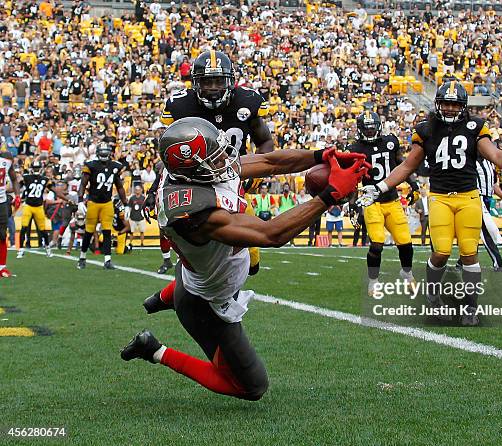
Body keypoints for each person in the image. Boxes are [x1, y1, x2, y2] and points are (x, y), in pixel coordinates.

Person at [122, 117, 368, 401]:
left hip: (198, 271)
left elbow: (269, 162)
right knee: (252, 387)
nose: (224, 160)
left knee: (220, 266)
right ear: (192, 170)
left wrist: (323, 155)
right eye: (214, 158)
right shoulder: (193, 211)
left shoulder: (195, 170)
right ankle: (153, 349)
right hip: (207, 304)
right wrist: (329, 195)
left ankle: (163, 299)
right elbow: (271, 234)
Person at [358, 81, 502, 326]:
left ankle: (470, 308)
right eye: (445, 103)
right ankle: (433, 298)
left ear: (462, 106)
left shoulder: (474, 126)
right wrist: (382, 187)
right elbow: (407, 166)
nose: (448, 108)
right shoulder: (426, 129)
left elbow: (495, 154)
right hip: (439, 197)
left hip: (469, 196)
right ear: (438, 104)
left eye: (454, 104)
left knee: (469, 254)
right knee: (441, 252)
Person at [159, 50, 274, 274]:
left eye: (218, 81)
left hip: (232, 181)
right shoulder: (181, 105)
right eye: (206, 82)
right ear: (195, 83)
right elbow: (169, 153)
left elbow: (266, 143)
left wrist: (253, 175)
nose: (212, 88)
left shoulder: (247, 101)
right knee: (197, 254)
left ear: (230, 81)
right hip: (195, 183)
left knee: (251, 263)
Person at [348, 111, 416, 294]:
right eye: (366, 129)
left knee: (405, 242)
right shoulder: (355, 148)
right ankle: (373, 280)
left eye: (372, 129)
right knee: (377, 243)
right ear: (360, 130)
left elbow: (402, 165)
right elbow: (353, 178)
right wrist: (352, 202)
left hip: (392, 200)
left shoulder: (390, 142)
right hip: (371, 201)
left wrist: (414, 185)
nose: (369, 132)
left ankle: (407, 273)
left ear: (378, 127)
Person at [77, 145, 128, 270]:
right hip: (93, 202)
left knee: (107, 231)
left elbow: (120, 186)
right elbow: (83, 184)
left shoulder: (115, 166)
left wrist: (126, 204)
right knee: (89, 232)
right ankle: (82, 258)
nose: (104, 155)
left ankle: (107, 260)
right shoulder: (91, 165)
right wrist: (79, 201)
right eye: (102, 152)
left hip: (107, 203)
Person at [17, 160, 70, 258]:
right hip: (36, 206)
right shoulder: (45, 179)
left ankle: (21, 250)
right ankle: (47, 250)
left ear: (31, 169)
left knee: (25, 229)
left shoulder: (27, 177)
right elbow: (56, 192)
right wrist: (67, 199)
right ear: (40, 169)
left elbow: (17, 185)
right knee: (41, 230)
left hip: (30, 206)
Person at [0, 152, 21, 277]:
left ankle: (2, 267)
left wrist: (17, 195)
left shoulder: (5, 160)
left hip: (1, 202)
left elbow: (14, 179)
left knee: (2, 234)